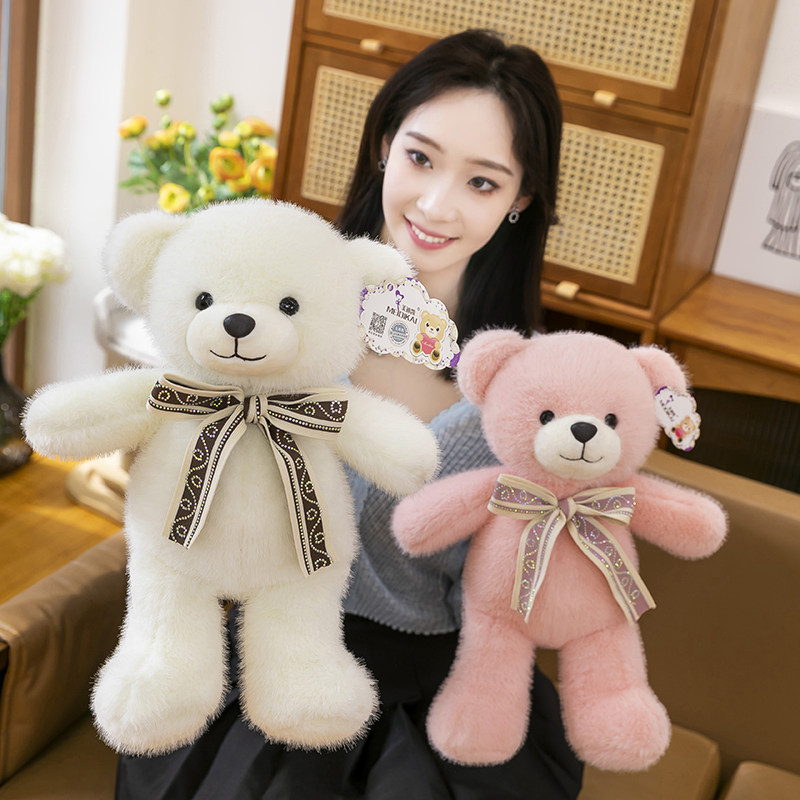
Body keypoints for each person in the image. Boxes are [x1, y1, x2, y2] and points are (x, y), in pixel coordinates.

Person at [116, 29, 582, 799]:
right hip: (250, 665)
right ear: (384, 147)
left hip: (417, 704)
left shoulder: (530, 397)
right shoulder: (277, 309)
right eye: (421, 158)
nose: (435, 205)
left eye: (482, 182)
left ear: (520, 200)